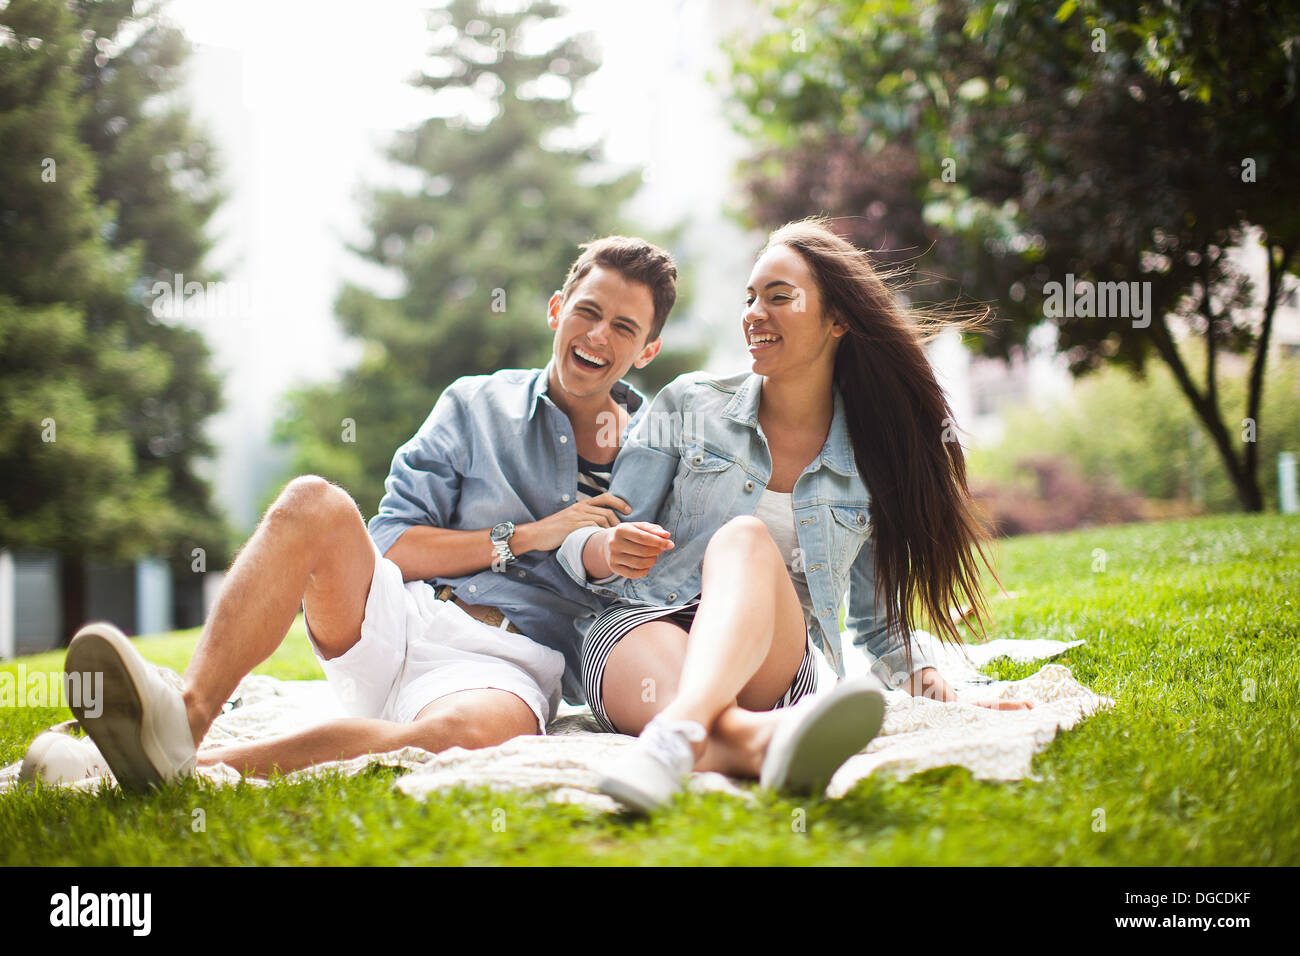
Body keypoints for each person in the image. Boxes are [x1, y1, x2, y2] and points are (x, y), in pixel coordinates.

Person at [41, 237, 677, 790]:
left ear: (647, 350)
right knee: (311, 500)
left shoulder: (657, 454)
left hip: (506, 664)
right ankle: (188, 713)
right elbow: (394, 544)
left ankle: (183, 766)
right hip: (398, 615)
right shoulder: (474, 403)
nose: (598, 335)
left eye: (624, 327)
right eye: (588, 312)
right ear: (555, 310)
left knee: (471, 735)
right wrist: (533, 535)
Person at [557, 219, 1030, 814]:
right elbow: (600, 534)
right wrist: (604, 548)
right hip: (646, 629)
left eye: (779, 297)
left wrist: (942, 693)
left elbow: (879, 626)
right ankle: (745, 741)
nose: (754, 312)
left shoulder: (870, 458)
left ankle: (683, 734)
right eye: (749, 298)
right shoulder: (689, 403)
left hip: (772, 660)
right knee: (704, 600)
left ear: (838, 320)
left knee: (746, 540)